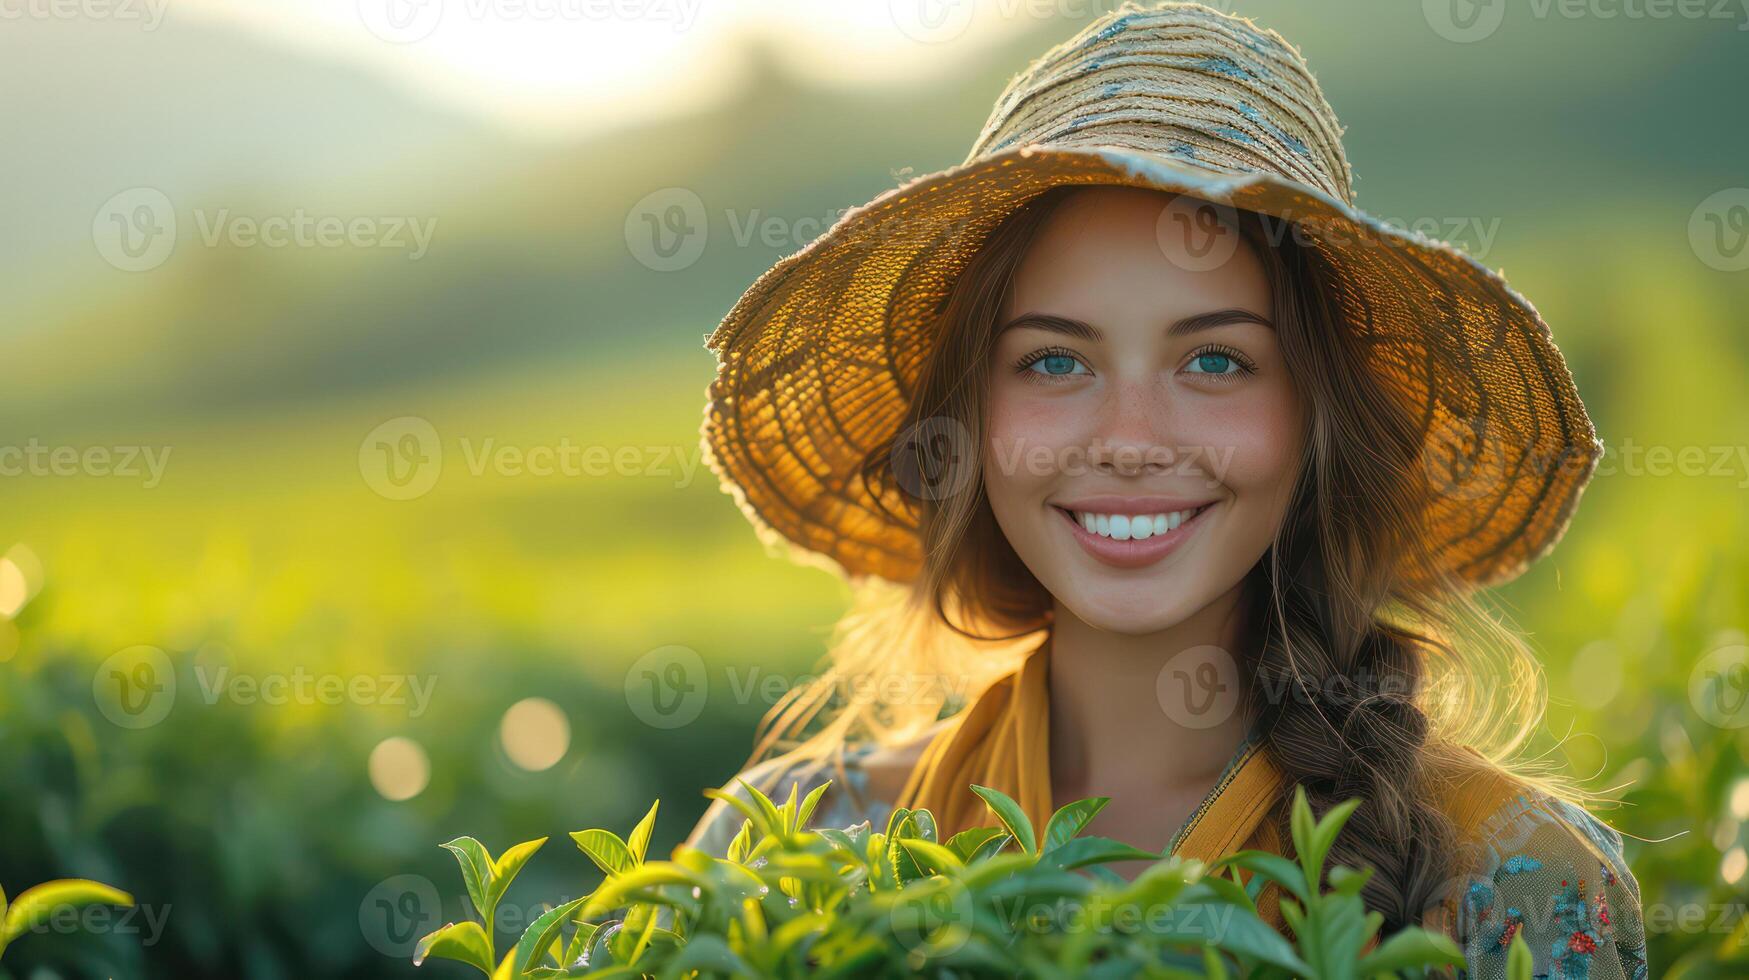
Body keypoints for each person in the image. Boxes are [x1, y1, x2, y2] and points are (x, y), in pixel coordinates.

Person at [685, 4, 1646, 977]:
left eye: (1217, 360)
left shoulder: (1510, 876)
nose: (1131, 441)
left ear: (1316, 422)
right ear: (967, 422)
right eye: (1055, 361)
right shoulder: (787, 853)